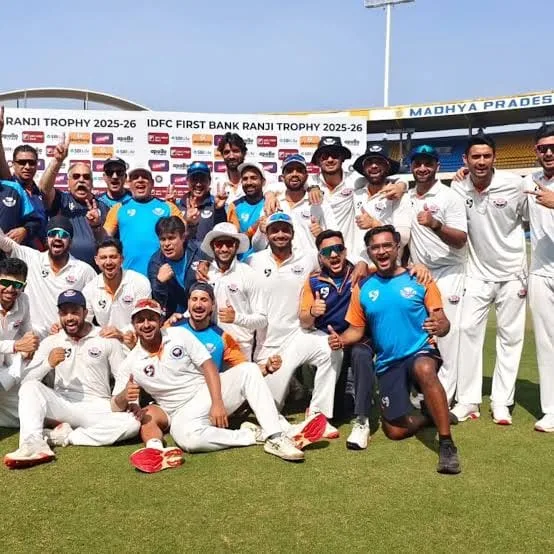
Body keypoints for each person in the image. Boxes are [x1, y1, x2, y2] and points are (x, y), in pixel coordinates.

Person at [117, 298, 309, 471]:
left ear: (160, 320)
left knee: (249, 370)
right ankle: (253, 436)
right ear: (133, 325)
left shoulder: (179, 334)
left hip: (206, 392)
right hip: (180, 413)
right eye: (140, 320)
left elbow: (208, 366)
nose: (146, 324)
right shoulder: (130, 363)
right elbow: (115, 404)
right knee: (188, 441)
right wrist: (124, 395)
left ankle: (276, 435)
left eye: (151, 318)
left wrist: (217, 402)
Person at [329, 225, 460, 474]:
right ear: (369, 251)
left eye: (387, 245)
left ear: (397, 247)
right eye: (375, 247)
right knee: (395, 431)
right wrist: (340, 340)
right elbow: (356, 330)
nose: (381, 251)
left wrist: (440, 326)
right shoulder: (363, 287)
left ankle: (446, 444)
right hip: (388, 362)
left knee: (424, 368)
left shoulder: (419, 278)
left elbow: (442, 322)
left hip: (420, 351)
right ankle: (428, 415)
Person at [3, 289, 140, 469]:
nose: (69, 318)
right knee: (30, 388)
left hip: (97, 406)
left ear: (85, 312)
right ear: (59, 315)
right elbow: (25, 382)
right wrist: (48, 364)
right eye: (64, 313)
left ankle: (64, 437)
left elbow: (122, 376)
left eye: (74, 312)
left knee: (132, 424)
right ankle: (32, 443)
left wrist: (129, 401)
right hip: (63, 404)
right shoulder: (51, 341)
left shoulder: (106, 338)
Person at [450, 134, 527, 425]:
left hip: (512, 274)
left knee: (510, 338)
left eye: (486, 156)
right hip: (477, 273)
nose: (481, 161)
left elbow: (532, 214)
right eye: (475, 156)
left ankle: (501, 401)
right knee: (467, 330)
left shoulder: (515, 184)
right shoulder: (458, 187)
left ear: (495, 158)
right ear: (465, 160)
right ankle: (468, 400)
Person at [248, 212, 340, 436]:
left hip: (300, 335)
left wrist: (360, 266)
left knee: (332, 348)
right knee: (269, 410)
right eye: (274, 230)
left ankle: (318, 415)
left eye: (285, 230)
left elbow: (341, 260)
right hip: (269, 345)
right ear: (267, 234)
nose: (280, 234)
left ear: (292, 232)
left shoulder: (308, 257)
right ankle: (287, 422)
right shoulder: (253, 261)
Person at [299, 230, 374, 449]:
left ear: (345, 251)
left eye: (338, 249)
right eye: (327, 252)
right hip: (331, 344)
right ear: (320, 256)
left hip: (358, 337)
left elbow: (390, 266)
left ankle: (362, 420)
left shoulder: (362, 273)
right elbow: (304, 320)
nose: (333, 255)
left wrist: (363, 263)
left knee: (361, 353)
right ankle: (322, 406)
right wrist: (312, 311)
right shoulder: (313, 280)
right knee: (339, 411)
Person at [407, 145, 468, 404]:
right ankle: (423, 390)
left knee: (447, 335)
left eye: (428, 163)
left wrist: (435, 224)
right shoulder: (407, 196)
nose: (423, 168)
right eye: (418, 163)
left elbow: (461, 239)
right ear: (411, 167)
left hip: (449, 272)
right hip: (419, 273)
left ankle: (445, 398)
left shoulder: (449, 196)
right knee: (423, 333)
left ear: (437, 166)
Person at [0, 215, 96, 338]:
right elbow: (3, 241)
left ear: (71, 242)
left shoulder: (84, 270)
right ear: (46, 239)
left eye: (63, 235)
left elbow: (91, 307)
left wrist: (72, 325)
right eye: (52, 234)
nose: (57, 238)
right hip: (30, 338)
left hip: (65, 338)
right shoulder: (32, 258)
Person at [522, 125, 554, 432]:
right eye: (543, 148)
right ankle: (551, 410)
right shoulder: (529, 181)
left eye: (553, 147)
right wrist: (464, 177)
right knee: (546, 344)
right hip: (542, 272)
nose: (549, 152)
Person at [199, 223, 267, 360]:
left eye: (229, 244)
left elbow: (262, 320)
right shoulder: (204, 274)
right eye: (219, 244)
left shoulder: (249, 274)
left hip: (240, 346)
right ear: (212, 246)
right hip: (208, 344)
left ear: (236, 246)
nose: (224, 249)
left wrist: (236, 318)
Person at [40, 138, 107, 267]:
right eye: (76, 176)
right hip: (63, 269)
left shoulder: (103, 207)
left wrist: (97, 227)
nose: (81, 180)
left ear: (92, 183)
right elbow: (44, 189)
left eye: (86, 177)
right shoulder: (61, 200)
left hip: (94, 272)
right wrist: (57, 161)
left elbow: (107, 243)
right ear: (68, 182)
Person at [103, 167, 184, 276]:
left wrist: (190, 221)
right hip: (129, 276)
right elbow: (104, 238)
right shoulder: (118, 208)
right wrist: (96, 225)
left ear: (152, 183)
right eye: (135, 177)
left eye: (145, 177)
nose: (140, 180)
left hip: (162, 276)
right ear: (129, 183)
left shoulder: (168, 207)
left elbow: (183, 234)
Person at [253, 154, 337, 254]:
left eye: (299, 170)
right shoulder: (272, 203)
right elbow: (257, 247)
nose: (294, 174)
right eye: (289, 170)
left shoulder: (320, 203)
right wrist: (261, 232)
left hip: (311, 262)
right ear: (282, 177)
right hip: (279, 262)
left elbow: (336, 240)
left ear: (306, 176)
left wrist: (321, 235)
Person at [351, 142, 412, 261]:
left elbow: (403, 237)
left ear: (388, 167)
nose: (374, 166)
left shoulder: (400, 196)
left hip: (386, 266)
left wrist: (374, 224)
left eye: (379, 162)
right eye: (369, 162)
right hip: (357, 265)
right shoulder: (356, 193)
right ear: (363, 169)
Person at [83, 238, 151, 341]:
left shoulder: (140, 282)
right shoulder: (89, 289)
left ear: (122, 259)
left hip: (136, 339)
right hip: (105, 340)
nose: (108, 262)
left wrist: (122, 334)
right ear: (96, 260)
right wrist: (102, 333)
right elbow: (85, 323)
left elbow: (145, 318)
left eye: (113, 257)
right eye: (103, 257)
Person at [0, 258, 40, 428]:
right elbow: (17, 344)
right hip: (7, 361)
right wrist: (16, 346)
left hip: (6, 365)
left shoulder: (23, 300)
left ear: (24, 285)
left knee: (27, 412)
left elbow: (27, 330)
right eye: (5, 282)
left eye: (17, 285)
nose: (10, 289)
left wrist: (31, 344)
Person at [0, 107, 47, 249]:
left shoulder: (36, 192)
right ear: (13, 164)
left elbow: (36, 221)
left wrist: (25, 230)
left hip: (26, 255)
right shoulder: (11, 185)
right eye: (22, 162)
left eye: (31, 163)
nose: (27, 166)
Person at [148, 216, 208, 316]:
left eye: (171, 238)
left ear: (183, 237)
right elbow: (158, 303)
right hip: (174, 317)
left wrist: (207, 262)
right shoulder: (156, 263)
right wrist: (159, 283)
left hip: (202, 311)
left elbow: (219, 257)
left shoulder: (199, 251)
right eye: (162, 239)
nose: (166, 244)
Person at [176, 162, 228, 242]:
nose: (198, 184)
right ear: (187, 181)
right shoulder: (177, 205)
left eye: (202, 179)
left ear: (209, 182)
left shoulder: (217, 204)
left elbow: (223, 234)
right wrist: (187, 222)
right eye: (194, 179)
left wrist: (219, 210)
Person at [226, 161, 266, 260]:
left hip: (267, 263)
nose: (249, 182)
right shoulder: (234, 206)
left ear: (263, 181)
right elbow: (233, 240)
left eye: (253, 178)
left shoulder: (271, 202)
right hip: (243, 262)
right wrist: (253, 229)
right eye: (245, 179)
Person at [213, 132, 248, 204]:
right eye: (227, 152)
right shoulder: (215, 184)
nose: (231, 156)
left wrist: (269, 193)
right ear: (222, 155)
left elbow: (272, 186)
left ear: (244, 153)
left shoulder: (257, 180)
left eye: (235, 151)